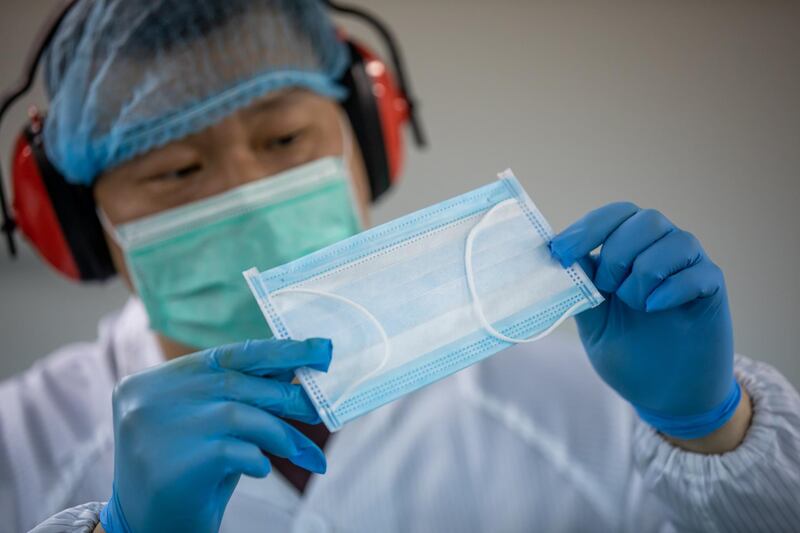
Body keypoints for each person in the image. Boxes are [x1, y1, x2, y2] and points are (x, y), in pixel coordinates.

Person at [0, 1, 798, 532]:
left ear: (366, 143)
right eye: (176, 171)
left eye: (284, 140)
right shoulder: (18, 447)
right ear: (80, 225)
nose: (247, 193)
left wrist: (709, 431)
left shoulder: (587, 416)